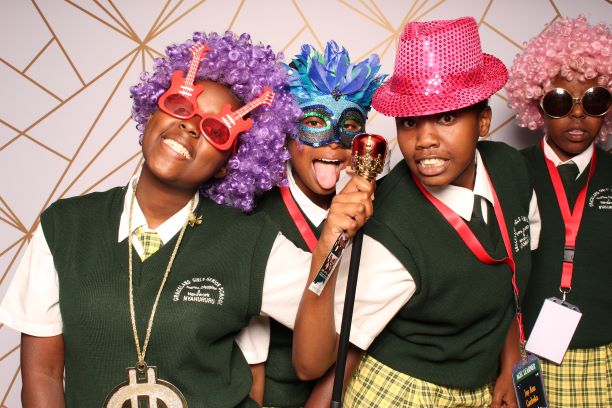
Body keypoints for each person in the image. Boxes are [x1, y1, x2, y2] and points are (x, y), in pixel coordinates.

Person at [0, 30, 358, 407]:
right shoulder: (64, 226)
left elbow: (314, 360)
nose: (190, 127)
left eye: (216, 130)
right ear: (153, 111)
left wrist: (328, 247)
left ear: (229, 164)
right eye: (181, 106)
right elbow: (42, 373)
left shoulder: (251, 241)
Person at [294, 17, 542, 407]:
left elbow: (510, 275)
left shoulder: (511, 169)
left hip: (482, 384)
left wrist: (512, 360)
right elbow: (314, 364)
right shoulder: (390, 223)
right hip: (403, 393)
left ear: (483, 120)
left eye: (446, 117)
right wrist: (327, 246)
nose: (424, 140)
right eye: (409, 122)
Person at [247, 40, 384, 407]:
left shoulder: (378, 212)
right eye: (314, 122)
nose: (334, 142)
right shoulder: (255, 217)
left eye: (349, 126)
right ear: (285, 132)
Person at [506, 16, 611, 408]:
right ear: (537, 103)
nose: (578, 114)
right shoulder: (509, 171)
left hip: (605, 358)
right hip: (526, 355)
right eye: (561, 101)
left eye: (594, 100)